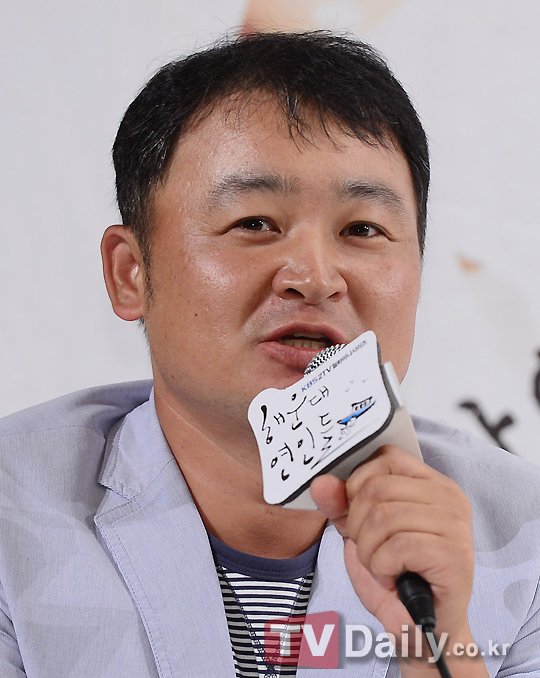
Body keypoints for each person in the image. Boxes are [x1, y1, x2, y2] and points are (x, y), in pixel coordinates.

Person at [0, 31, 539, 678]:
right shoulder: (12, 515)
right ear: (130, 273)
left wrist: (437, 643)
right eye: (254, 223)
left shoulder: (525, 539)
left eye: (362, 229)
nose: (316, 277)